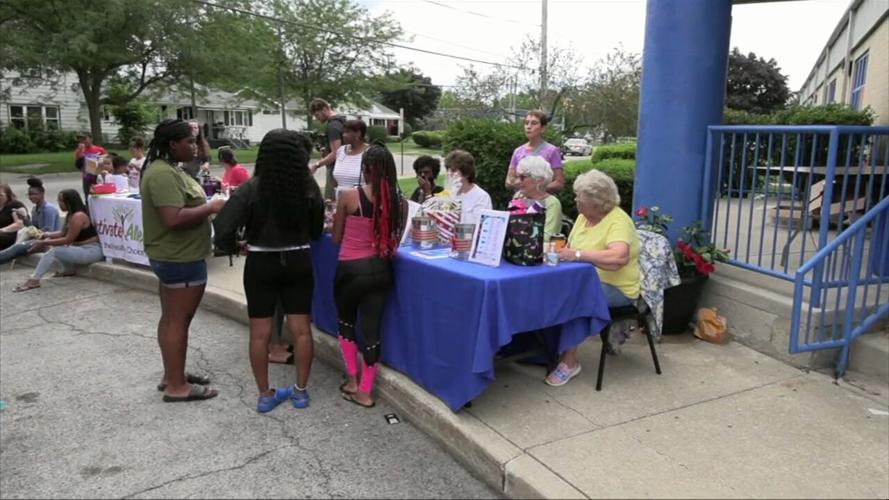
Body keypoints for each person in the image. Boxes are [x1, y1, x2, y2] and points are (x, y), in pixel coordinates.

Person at [214, 129, 324, 413]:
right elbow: (315, 231)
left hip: (261, 262)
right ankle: (300, 391)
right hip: (299, 259)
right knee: (301, 331)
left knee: (259, 333)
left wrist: (235, 246)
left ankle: (265, 394)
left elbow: (222, 226)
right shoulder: (308, 187)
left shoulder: (251, 188)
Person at [140, 119, 226, 403]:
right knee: (178, 321)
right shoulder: (163, 174)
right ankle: (177, 386)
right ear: (172, 144)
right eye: (188, 141)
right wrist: (212, 207)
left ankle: (172, 375)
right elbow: (173, 218)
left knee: (172, 319)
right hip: (180, 257)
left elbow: (202, 157)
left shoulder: (170, 170)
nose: (193, 146)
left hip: (175, 256)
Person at [545, 169, 641, 386]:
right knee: (545, 289)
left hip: (617, 288)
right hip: (582, 280)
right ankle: (543, 349)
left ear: (596, 202)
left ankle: (569, 362)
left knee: (576, 298)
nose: (576, 200)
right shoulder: (583, 218)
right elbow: (569, 248)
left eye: (580, 197)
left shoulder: (618, 221)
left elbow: (619, 257)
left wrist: (578, 255)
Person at [332, 143, 406, 408]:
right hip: (382, 270)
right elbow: (395, 238)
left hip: (351, 270)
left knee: (346, 323)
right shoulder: (400, 202)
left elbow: (337, 237)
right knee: (372, 331)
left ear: (366, 169)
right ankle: (365, 391)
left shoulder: (350, 197)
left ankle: (352, 380)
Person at [11, 189, 104, 292]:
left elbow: (68, 240)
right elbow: (62, 233)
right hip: (80, 248)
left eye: (61, 201)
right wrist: (43, 235)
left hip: (91, 250)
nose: (59, 204)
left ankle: (34, 280)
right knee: (53, 245)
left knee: (54, 251)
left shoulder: (78, 216)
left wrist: (44, 242)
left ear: (69, 202)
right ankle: (68, 270)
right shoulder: (71, 214)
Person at [0, 178, 62, 265]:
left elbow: (48, 232)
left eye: (34, 194)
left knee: (17, 248)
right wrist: (24, 218)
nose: (31, 197)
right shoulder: (34, 209)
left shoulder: (49, 209)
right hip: (37, 238)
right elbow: (33, 229)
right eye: (29, 194)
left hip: (48, 241)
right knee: (15, 248)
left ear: (42, 194)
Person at [504, 110, 565, 194]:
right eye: (526, 123)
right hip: (520, 202)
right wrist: (520, 185)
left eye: (534, 123)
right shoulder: (518, 151)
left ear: (542, 128)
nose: (528, 127)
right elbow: (508, 181)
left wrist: (537, 189)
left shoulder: (552, 151)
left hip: (542, 202)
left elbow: (559, 183)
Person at [514, 156, 563, 240]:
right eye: (517, 177)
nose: (518, 181)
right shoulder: (518, 197)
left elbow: (548, 238)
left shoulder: (551, 203)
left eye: (522, 177)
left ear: (539, 179)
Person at [308, 98, 346, 200]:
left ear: (325, 109)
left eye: (317, 115)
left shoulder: (333, 126)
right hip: (344, 168)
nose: (317, 119)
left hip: (335, 169)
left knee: (330, 201)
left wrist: (316, 165)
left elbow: (336, 153)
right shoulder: (342, 121)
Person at [444, 150, 492, 225]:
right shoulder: (448, 193)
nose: (449, 174)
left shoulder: (482, 197)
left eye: (453, 170)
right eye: (447, 170)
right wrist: (451, 195)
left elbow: (477, 225)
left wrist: (455, 202)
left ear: (466, 173)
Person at [327, 119, 367, 200]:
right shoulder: (340, 151)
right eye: (343, 132)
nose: (343, 135)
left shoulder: (370, 153)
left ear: (358, 133)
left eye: (347, 132)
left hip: (360, 202)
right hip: (340, 201)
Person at [73, 132, 107, 201]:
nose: (83, 141)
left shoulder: (99, 150)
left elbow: (106, 162)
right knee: (88, 197)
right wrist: (80, 154)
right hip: (87, 177)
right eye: (81, 140)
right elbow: (78, 165)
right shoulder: (79, 151)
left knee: (101, 195)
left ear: (91, 139)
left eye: (85, 139)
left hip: (98, 176)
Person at [0, 183, 28, 251]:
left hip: (13, 234)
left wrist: (2, 230)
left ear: (8, 195)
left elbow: (19, 224)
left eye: (1, 195)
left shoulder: (15, 205)